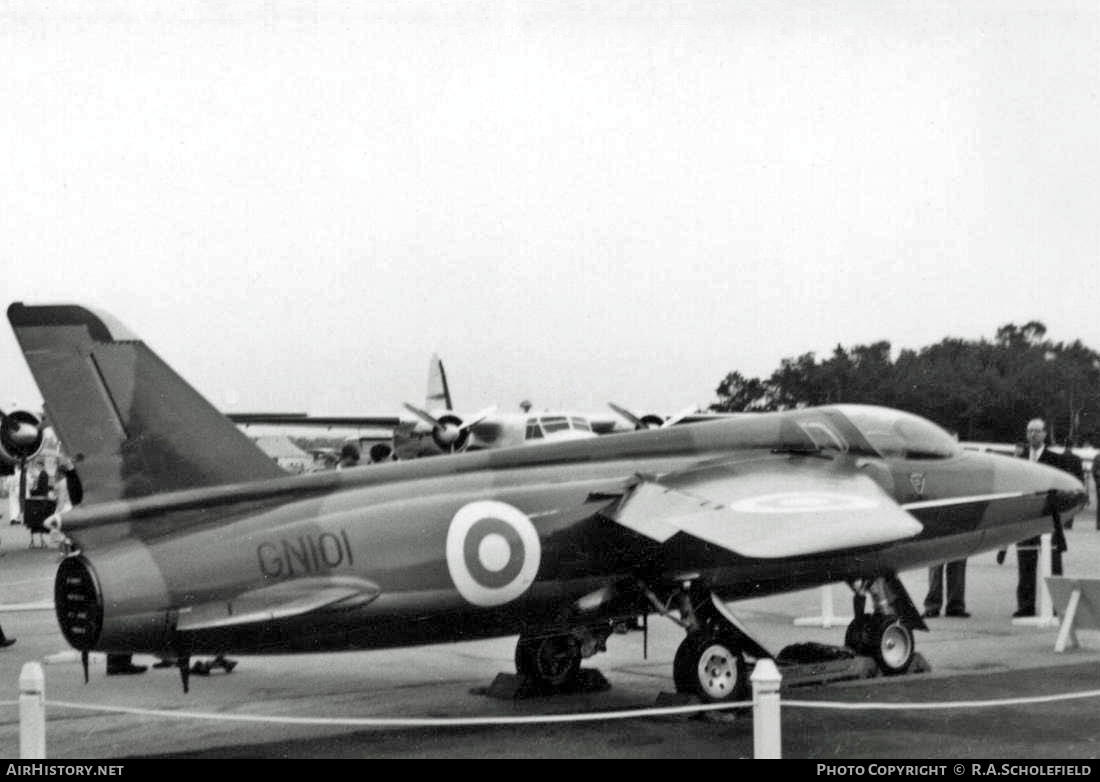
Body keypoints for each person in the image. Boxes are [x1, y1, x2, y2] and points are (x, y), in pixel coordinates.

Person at [1006, 418, 1068, 617]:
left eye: (1037, 431)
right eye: (1029, 431)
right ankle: (1026, 606)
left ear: (1044, 434)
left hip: (1048, 519)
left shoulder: (1055, 459)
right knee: (1026, 563)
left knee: (1054, 564)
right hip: (1025, 519)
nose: (1033, 435)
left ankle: (1058, 605)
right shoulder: (1019, 459)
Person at [1059, 441, 1084, 529]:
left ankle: (1061, 522)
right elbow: (1080, 474)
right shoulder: (1077, 458)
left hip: (1061, 484)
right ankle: (1069, 523)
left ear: (1064, 446)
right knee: (1071, 504)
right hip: (1072, 484)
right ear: (1072, 446)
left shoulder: (1059, 457)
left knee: (1062, 504)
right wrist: (1081, 485)